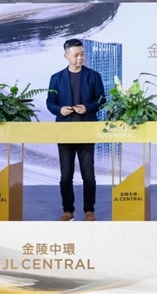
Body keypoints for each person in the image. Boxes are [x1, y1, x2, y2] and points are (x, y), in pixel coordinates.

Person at [46, 38, 105, 222]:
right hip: (65, 132)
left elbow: (101, 100)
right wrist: (60, 110)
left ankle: (89, 210)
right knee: (66, 176)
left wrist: (88, 108)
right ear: (66, 56)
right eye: (76, 55)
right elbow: (50, 102)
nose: (80, 58)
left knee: (89, 175)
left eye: (82, 54)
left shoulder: (93, 76)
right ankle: (68, 211)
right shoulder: (56, 78)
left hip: (86, 130)